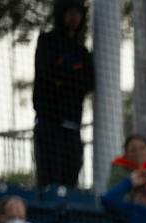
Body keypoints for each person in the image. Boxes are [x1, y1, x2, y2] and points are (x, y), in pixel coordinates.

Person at [32, 0, 93, 189]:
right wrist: (72, 77)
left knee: (71, 173)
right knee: (49, 176)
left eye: (77, 13)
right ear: (61, 14)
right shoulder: (47, 41)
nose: (74, 17)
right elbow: (48, 72)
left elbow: (88, 83)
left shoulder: (82, 51)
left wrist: (64, 78)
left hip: (72, 125)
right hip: (49, 122)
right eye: (69, 12)